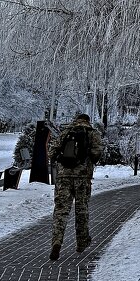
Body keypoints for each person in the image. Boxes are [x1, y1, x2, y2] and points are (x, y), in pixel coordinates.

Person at [49, 112, 104, 261]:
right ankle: (81, 242)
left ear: (76, 120)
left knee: (61, 211)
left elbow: (52, 151)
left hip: (63, 177)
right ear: (88, 121)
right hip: (82, 178)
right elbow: (97, 153)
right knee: (81, 210)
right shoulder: (92, 133)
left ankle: (56, 242)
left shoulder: (65, 132)